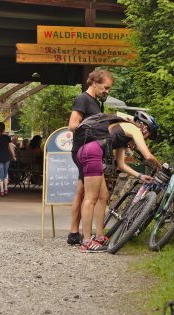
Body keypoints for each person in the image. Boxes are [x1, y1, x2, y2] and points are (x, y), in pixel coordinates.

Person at [74, 110, 162, 253]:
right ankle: (86, 241)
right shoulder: (134, 129)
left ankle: (100, 236)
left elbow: (121, 165)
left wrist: (140, 176)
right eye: (148, 136)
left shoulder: (122, 132)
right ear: (144, 127)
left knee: (103, 197)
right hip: (92, 153)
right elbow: (148, 156)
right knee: (90, 199)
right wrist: (160, 167)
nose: (145, 139)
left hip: (88, 152)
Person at [67, 69, 114, 246]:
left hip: (91, 151)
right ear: (94, 82)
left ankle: (74, 233)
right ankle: (79, 234)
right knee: (88, 194)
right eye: (105, 87)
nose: (107, 91)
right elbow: (72, 125)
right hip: (83, 151)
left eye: (109, 89)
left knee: (81, 191)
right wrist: (91, 128)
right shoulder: (83, 99)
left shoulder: (96, 103)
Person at [0, 122, 16, 196]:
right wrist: (14, 156)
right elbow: (11, 147)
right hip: (7, 157)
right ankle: (6, 189)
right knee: (6, 173)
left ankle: (1, 191)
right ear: (4, 129)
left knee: (0, 174)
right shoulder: (8, 137)